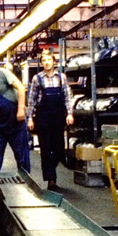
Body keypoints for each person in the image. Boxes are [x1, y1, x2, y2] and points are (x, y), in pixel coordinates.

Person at [27, 49, 74, 191]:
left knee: (59, 148)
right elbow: (31, 100)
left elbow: (67, 97)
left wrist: (69, 113)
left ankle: (50, 170)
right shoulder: (37, 78)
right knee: (46, 148)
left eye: (49, 60)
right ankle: (51, 180)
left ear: (54, 61)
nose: (46, 63)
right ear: (41, 63)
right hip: (43, 117)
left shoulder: (62, 78)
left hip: (58, 117)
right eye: (44, 61)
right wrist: (30, 118)